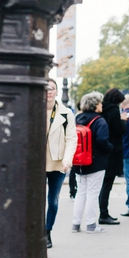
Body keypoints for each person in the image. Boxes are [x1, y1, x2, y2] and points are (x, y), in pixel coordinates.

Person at [72, 91, 113, 234]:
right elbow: (102, 141)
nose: (102, 105)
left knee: (80, 192)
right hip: (96, 162)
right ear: (96, 105)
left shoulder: (77, 118)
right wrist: (110, 148)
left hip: (79, 162)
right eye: (100, 102)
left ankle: (75, 224)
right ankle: (91, 225)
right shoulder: (99, 121)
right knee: (93, 193)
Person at [45, 79, 76, 248]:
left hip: (58, 163)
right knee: (36, 201)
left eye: (52, 88)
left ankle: (47, 231)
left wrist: (67, 159)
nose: (49, 91)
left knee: (53, 201)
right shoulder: (33, 109)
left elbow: (72, 138)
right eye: (46, 88)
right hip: (37, 163)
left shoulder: (66, 113)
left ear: (56, 91)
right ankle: (34, 231)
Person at [98, 88, 127, 225]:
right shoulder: (114, 110)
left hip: (102, 150)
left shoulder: (102, 108)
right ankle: (104, 213)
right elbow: (119, 129)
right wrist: (124, 120)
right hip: (113, 150)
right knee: (107, 183)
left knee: (101, 183)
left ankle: (102, 212)